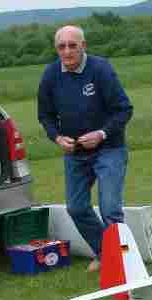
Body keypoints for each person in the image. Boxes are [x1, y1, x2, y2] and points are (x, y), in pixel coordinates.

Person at [38, 25, 134, 272]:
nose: (67, 51)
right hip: (75, 154)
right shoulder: (50, 75)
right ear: (56, 49)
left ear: (84, 46)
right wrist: (57, 138)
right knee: (76, 208)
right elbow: (45, 116)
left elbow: (124, 109)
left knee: (110, 209)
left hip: (109, 149)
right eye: (61, 46)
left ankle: (124, 262)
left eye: (73, 45)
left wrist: (101, 134)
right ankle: (105, 253)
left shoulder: (100, 69)